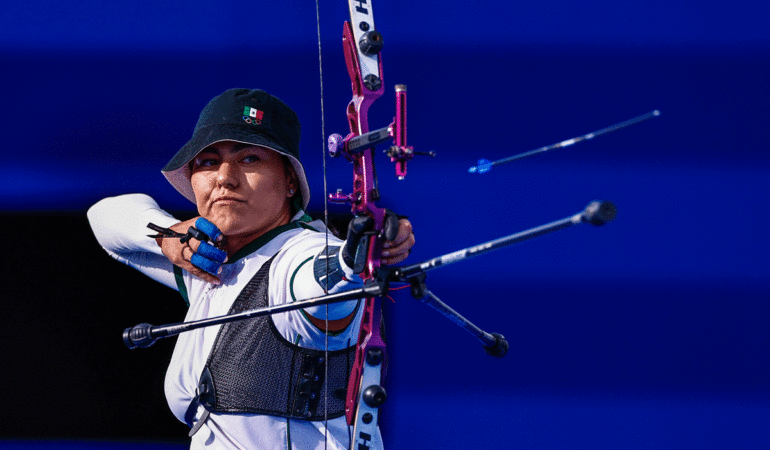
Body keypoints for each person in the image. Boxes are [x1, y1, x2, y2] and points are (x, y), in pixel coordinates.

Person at [87, 88, 415, 450]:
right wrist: (168, 236)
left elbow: (320, 285)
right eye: (208, 162)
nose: (225, 178)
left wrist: (354, 256)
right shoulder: (214, 261)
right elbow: (104, 219)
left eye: (250, 159)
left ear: (290, 180)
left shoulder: (299, 255)